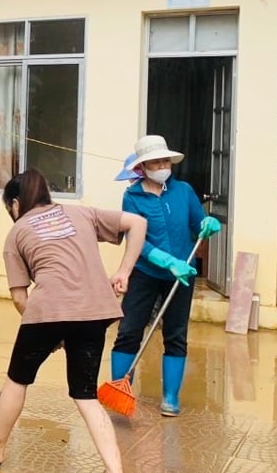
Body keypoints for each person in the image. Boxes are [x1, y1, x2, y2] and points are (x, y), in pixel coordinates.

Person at [0, 170, 147, 473]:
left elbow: (21, 298)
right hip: (95, 311)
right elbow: (138, 223)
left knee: (17, 379)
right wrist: (124, 270)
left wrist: (48, 332)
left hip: (49, 309)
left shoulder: (17, 232)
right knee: (85, 395)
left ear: (16, 203)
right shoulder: (81, 213)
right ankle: (116, 470)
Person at [110, 135, 220, 417]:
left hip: (180, 275)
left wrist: (208, 224)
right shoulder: (131, 197)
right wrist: (163, 259)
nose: (162, 165)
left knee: (176, 335)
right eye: (155, 161)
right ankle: (121, 388)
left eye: (165, 160)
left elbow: (199, 224)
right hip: (145, 272)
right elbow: (137, 239)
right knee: (129, 332)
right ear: (142, 167)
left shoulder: (183, 191)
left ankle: (170, 397)